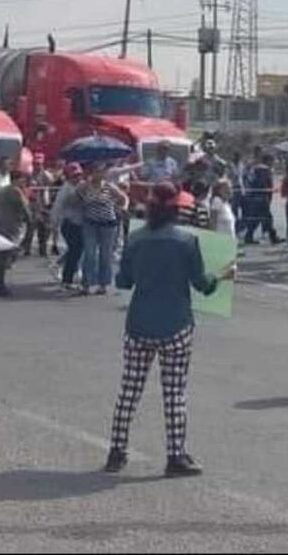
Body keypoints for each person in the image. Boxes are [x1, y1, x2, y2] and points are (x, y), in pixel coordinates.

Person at [104, 182, 233, 478]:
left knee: (129, 390)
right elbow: (202, 284)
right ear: (176, 209)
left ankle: (116, 451)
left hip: (139, 325)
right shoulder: (186, 242)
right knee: (175, 393)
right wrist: (222, 275)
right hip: (176, 325)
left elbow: (124, 282)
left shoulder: (135, 239)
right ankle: (175, 456)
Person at [78, 163, 129, 295]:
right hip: (90, 223)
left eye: (101, 172)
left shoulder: (109, 187)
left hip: (108, 224)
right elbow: (75, 199)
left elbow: (124, 198)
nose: (99, 175)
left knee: (105, 255)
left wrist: (122, 208)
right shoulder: (85, 186)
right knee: (89, 254)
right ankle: (86, 284)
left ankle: (103, 284)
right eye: (96, 172)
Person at [0, 170, 32, 297]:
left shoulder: (2, 190)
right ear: (17, 179)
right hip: (11, 226)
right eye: (22, 179)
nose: (24, 182)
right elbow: (25, 208)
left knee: (0, 255)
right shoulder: (16, 191)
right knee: (5, 255)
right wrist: (30, 221)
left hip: (0, 224)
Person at [51, 163, 85, 290]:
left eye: (79, 175)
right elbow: (57, 207)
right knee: (75, 251)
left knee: (77, 250)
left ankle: (65, 268)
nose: (78, 177)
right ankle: (67, 279)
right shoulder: (66, 189)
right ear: (68, 177)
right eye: (75, 175)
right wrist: (54, 223)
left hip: (80, 223)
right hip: (70, 224)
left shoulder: (82, 186)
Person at [242, 154, 281, 245]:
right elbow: (265, 185)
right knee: (267, 218)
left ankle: (250, 236)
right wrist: (268, 194)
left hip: (255, 197)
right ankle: (273, 237)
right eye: (272, 161)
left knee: (258, 218)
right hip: (262, 197)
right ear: (268, 161)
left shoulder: (255, 169)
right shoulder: (265, 170)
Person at [23, 153, 53, 257]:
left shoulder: (46, 175)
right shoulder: (29, 175)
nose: (37, 166)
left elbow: (50, 185)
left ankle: (43, 249)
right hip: (33, 204)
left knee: (44, 228)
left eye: (39, 164)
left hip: (44, 204)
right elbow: (26, 187)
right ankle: (26, 249)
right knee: (31, 227)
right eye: (36, 163)